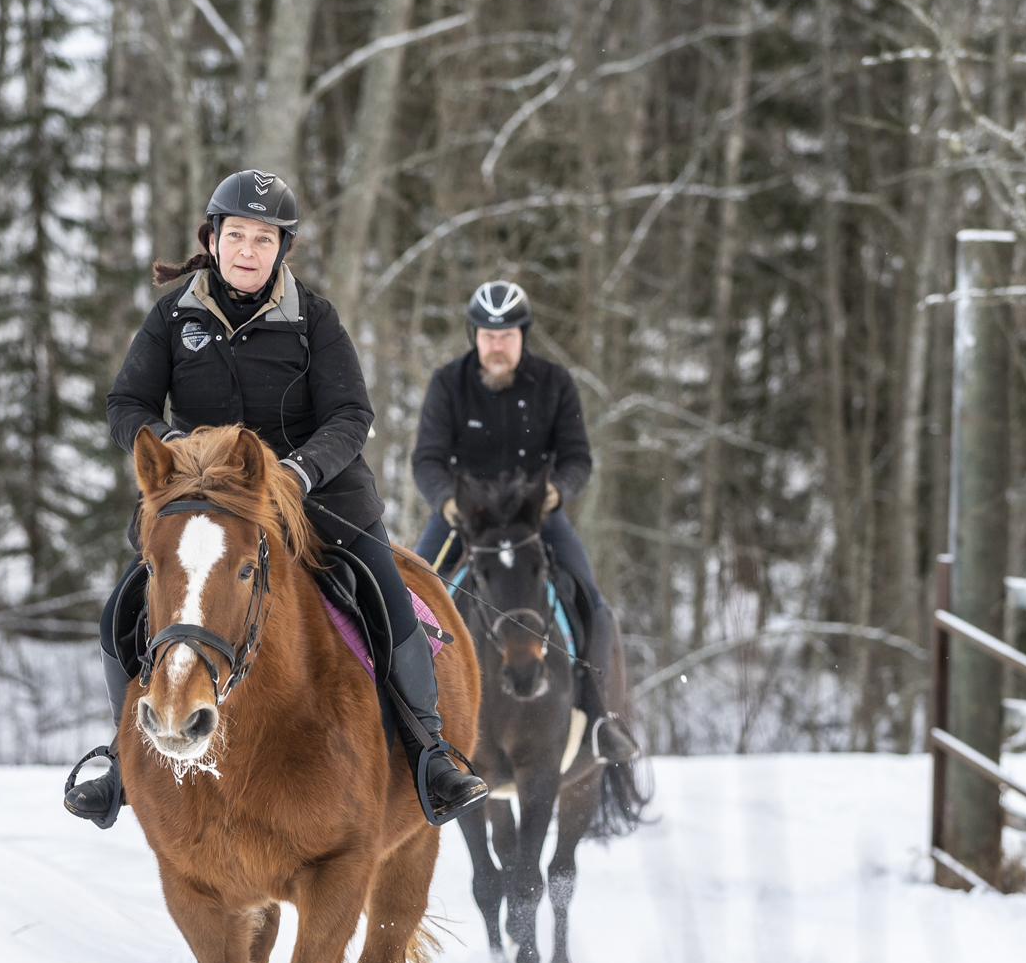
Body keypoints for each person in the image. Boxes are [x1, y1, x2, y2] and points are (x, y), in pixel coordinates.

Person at [61, 170, 490, 829]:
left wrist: (298, 469)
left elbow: (352, 413)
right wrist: (174, 450)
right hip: (201, 500)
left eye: (265, 239)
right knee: (122, 610)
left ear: (282, 249)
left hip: (315, 494)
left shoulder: (314, 318)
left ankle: (430, 752)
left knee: (384, 594)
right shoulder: (174, 316)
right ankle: (124, 761)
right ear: (212, 238)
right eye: (237, 235)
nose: (248, 251)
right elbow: (126, 404)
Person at [411, 279, 643, 765]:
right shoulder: (447, 384)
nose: (498, 345)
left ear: (523, 335)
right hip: (466, 515)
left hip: (533, 517)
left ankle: (599, 720)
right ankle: (407, 719)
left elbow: (578, 457)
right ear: (475, 335)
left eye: (508, 335)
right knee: (408, 597)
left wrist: (556, 492)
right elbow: (427, 459)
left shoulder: (555, 383)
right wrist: (447, 502)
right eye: (489, 335)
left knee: (592, 600)